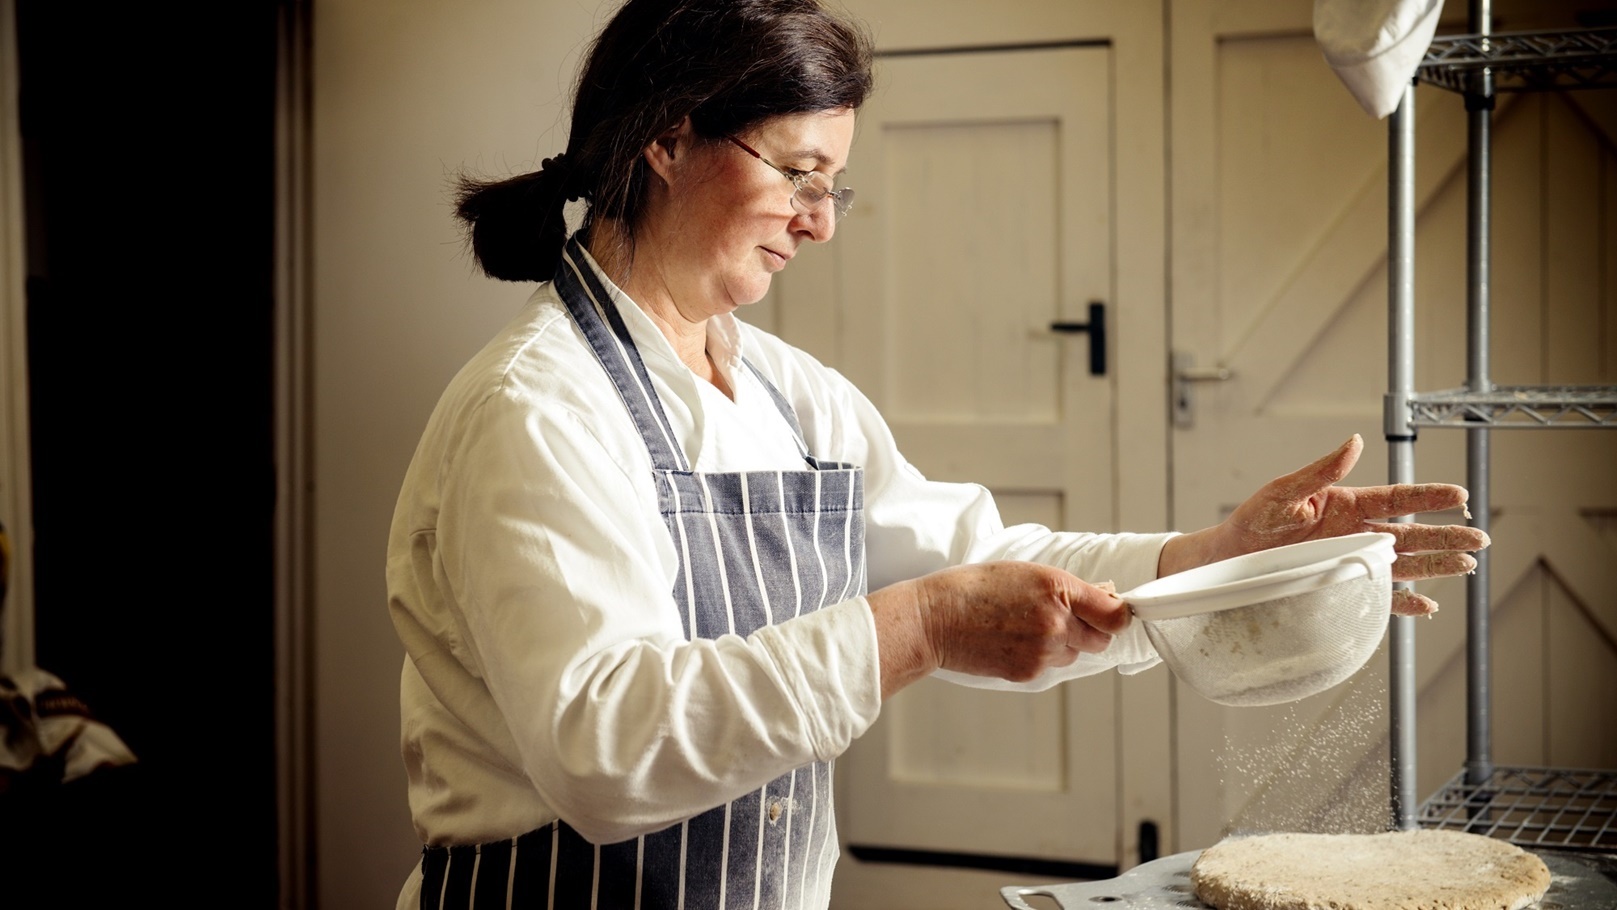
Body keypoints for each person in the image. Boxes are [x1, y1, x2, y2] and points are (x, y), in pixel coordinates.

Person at [385, 1, 1488, 907]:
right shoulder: (538, 410)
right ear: (668, 137)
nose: (820, 222)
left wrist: (1221, 557)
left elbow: (984, 550)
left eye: (835, 187)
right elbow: (605, 745)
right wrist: (923, 625)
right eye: (799, 174)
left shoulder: (789, 394)